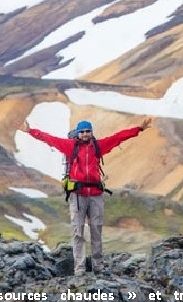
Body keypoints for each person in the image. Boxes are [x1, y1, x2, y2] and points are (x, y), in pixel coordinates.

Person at [19, 117, 151, 276]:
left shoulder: (98, 146)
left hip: (96, 195)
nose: (85, 134)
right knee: (78, 232)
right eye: (82, 132)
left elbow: (118, 137)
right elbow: (50, 139)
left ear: (91, 132)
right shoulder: (70, 146)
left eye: (88, 131)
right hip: (78, 196)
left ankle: (98, 267)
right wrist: (30, 131)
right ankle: (79, 269)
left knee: (96, 231)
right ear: (77, 133)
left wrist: (139, 129)